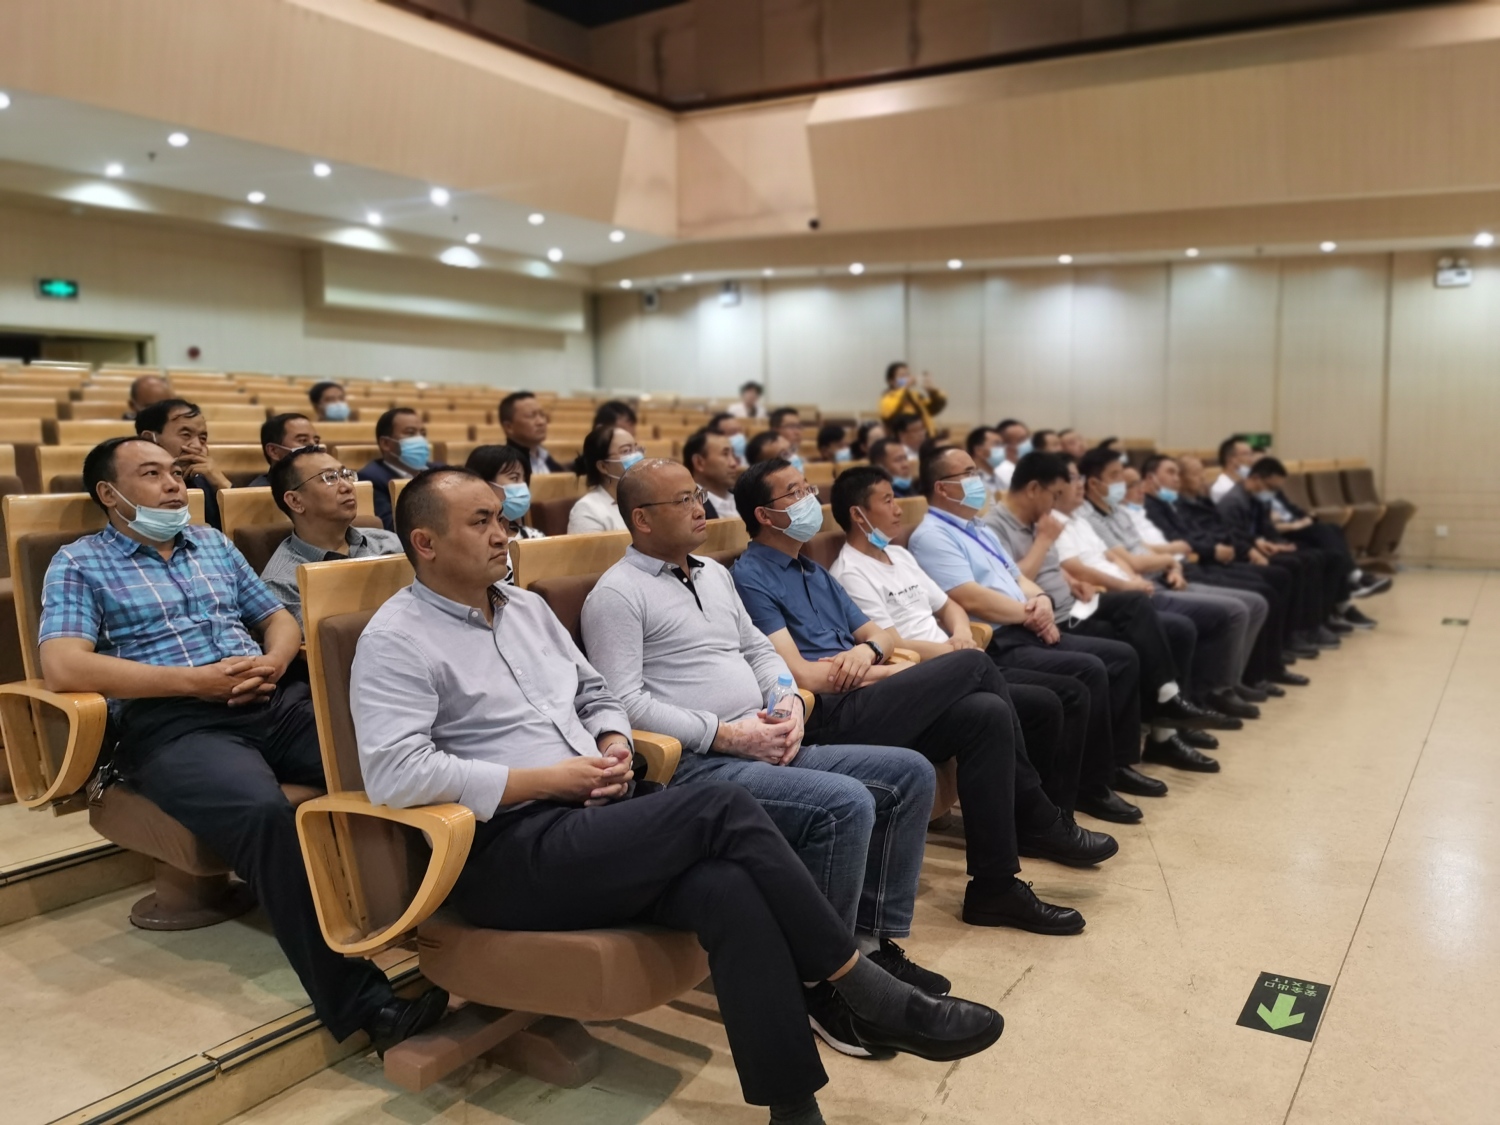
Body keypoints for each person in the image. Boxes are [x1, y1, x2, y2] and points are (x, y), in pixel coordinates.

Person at [353, 467, 1002, 1124]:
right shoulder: (396, 637)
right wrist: (553, 779)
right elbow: (394, 772)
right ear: (425, 542)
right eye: (481, 522)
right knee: (721, 805)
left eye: (501, 517)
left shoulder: (525, 609)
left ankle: (794, 1109)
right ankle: (865, 989)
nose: (502, 534)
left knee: (730, 889)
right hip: (506, 847)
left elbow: (596, 694)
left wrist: (612, 741)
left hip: (593, 815)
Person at [39, 437, 446, 1054]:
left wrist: (274, 662)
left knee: (398, 756)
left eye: (176, 473)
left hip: (266, 699)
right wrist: (193, 682)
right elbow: (64, 665)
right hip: (174, 722)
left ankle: (453, 921)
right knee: (263, 814)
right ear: (109, 494)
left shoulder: (210, 543)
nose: (174, 485)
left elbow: (275, 618)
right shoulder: (79, 562)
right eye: (151, 474)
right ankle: (366, 1007)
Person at [583, 459, 952, 1055]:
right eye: (683, 501)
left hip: (766, 736)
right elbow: (624, 702)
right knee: (845, 804)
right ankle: (819, 982)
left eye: (697, 495)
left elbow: (759, 651)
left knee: (908, 774)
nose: (700, 508)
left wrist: (788, 703)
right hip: (698, 765)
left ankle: (867, 950)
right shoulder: (616, 594)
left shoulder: (713, 574)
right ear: (642, 520)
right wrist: (727, 735)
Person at [730, 458, 1090, 934]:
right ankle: (1039, 815)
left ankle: (994, 888)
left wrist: (868, 653)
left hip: (865, 692)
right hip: (826, 714)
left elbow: (882, 635)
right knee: (974, 664)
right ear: (764, 514)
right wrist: (885, 669)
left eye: (807, 489)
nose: (808, 500)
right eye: (794, 493)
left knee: (984, 713)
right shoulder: (750, 576)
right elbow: (801, 676)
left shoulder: (812, 570)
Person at [827, 466, 1119, 850]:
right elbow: (891, 643)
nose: (898, 509)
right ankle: (1040, 821)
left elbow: (950, 606)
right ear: (858, 514)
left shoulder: (898, 554)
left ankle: (1050, 818)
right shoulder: (850, 572)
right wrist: (954, 652)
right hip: (924, 672)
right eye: (887, 500)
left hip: (959, 660)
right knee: (1039, 701)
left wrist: (962, 634)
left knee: (1052, 700)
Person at [907, 447, 1156, 821]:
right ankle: (1070, 801)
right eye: (968, 474)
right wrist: (1030, 614)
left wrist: (1039, 599)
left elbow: (1018, 578)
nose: (978, 481)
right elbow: (970, 597)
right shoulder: (932, 535)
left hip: (1023, 626)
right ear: (942, 487)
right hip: (996, 640)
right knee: (1086, 674)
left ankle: (1106, 772)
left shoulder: (977, 528)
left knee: (1118, 657)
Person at [977, 451, 1229, 779]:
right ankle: (1125, 755)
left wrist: (1073, 581)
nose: (1056, 502)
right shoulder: (996, 527)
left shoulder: (1038, 518)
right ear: (1034, 489)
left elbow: (1054, 569)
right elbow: (1012, 581)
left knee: (1143, 610)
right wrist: (1044, 540)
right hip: (1053, 618)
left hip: (1074, 602)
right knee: (1126, 651)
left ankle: (1166, 714)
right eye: (1054, 494)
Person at [1073, 447, 1264, 720]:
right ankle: (1207, 694)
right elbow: (1132, 561)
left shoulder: (1118, 511)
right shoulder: (1087, 518)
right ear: (1093, 483)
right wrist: (1167, 560)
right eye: (1116, 476)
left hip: (1161, 578)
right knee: (1229, 611)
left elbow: (1141, 550)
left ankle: (1220, 688)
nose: (1123, 484)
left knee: (1248, 603)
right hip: (1142, 587)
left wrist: (1173, 566)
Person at [1136, 457, 1305, 693]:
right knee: (1260, 590)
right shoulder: (1151, 507)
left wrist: (1245, 546)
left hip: (1190, 564)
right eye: (1172, 473)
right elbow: (1176, 544)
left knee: (1275, 580)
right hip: (1190, 567)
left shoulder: (1172, 503)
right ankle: (1234, 682)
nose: (1178, 478)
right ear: (1149, 478)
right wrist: (1212, 550)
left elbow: (1200, 534)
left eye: (1178, 473)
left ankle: (1255, 670)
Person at [1175, 455, 1333, 658]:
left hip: (1230, 552)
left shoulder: (1203, 501)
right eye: (1196, 473)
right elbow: (1195, 538)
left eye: (1202, 472)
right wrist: (1243, 549)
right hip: (1208, 561)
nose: (1203, 478)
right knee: (1276, 577)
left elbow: (1226, 531)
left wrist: (1257, 543)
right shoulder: (1218, 502)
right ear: (1180, 477)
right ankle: (1282, 643)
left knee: (1311, 557)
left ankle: (1303, 630)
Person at [1218, 457, 1358, 645]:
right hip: (1245, 554)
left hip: (1262, 546)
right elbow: (1233, 537)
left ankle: (1320, 619)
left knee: (1323, 556)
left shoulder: (1259, 498)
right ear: (1256, 478)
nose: (1273, 493)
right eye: (1271, 487)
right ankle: (1299, 629)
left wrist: (1278, 543)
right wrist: (1259, 545)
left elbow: (1266, 529)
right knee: (1299, 564)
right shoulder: (1232, 502)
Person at [261, 447, 401, 624]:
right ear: (295, 501)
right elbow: (324, 639)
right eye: (330, 478)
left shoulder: (389, 543)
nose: (347, 487)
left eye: (345, 475)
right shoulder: (283, 583)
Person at [134, 398, 230, 530]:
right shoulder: (131, 486)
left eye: (202, 439)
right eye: (186, 435)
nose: (197, 446)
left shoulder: (206, 480)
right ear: (149, 439)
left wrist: (223, 484)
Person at [357, 407, 433, 531]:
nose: (420, 439)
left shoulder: (439, 470)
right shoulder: (371, 479)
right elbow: (390, 526)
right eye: (410, 433)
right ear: (386, 444)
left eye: (423, 434)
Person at [465, 444, 545, 548]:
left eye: (524, 479)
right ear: (485, 484)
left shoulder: (534, 537)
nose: (523, 485)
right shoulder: (471, 544)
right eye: (514, 478)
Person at [567, 424, 643, 534]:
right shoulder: (587, 510)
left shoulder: (646, 497)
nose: (636, 456)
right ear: (603, 466)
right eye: (626, 451)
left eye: (636, 449)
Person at [500, 391, 567, 475]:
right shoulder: (504, 468)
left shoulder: (545, 457)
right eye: (531, 416)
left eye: (542, 415)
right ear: (509, 427)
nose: (541, 422)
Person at [249, 413, 321, 487]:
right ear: (273, 451)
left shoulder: (322, 483)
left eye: (316, 441)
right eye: (303, 440)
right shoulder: (260, 490)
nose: (314, 446)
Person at [682, 429, 738, 519]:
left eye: (733, 454)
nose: (734, 463)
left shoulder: (745, 499)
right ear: (699, 462)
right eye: (725, 454)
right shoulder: (688, 510)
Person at [878, 362, 946, 437]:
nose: (907, 378)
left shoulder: (915, 396)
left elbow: (934, 408)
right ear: (891, 381)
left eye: (908, 375)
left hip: (926, 437)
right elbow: (889, 416)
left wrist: (932, 391)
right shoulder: (887, 397)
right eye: (902, 376)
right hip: (905, 439)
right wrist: (904, 387)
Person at [1210, 436, 1256, 502]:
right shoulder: (1222, 488)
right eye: (1245, 454)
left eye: (1251, 454)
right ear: (1231, 458)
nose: (1251, 459)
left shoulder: (1246, 482)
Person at [992, 420, 1032, 492]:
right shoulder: (1003, 471)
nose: (1028, 443)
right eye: (1022, 440)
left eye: (1028, 438)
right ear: (1005, 445)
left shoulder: (1026, 467)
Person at [966, 426, 1006, 499]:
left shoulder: (999, 479)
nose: (1002, 449)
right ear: (979, 450)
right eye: (997, 444)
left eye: (1002, 444)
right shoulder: (970, 482)